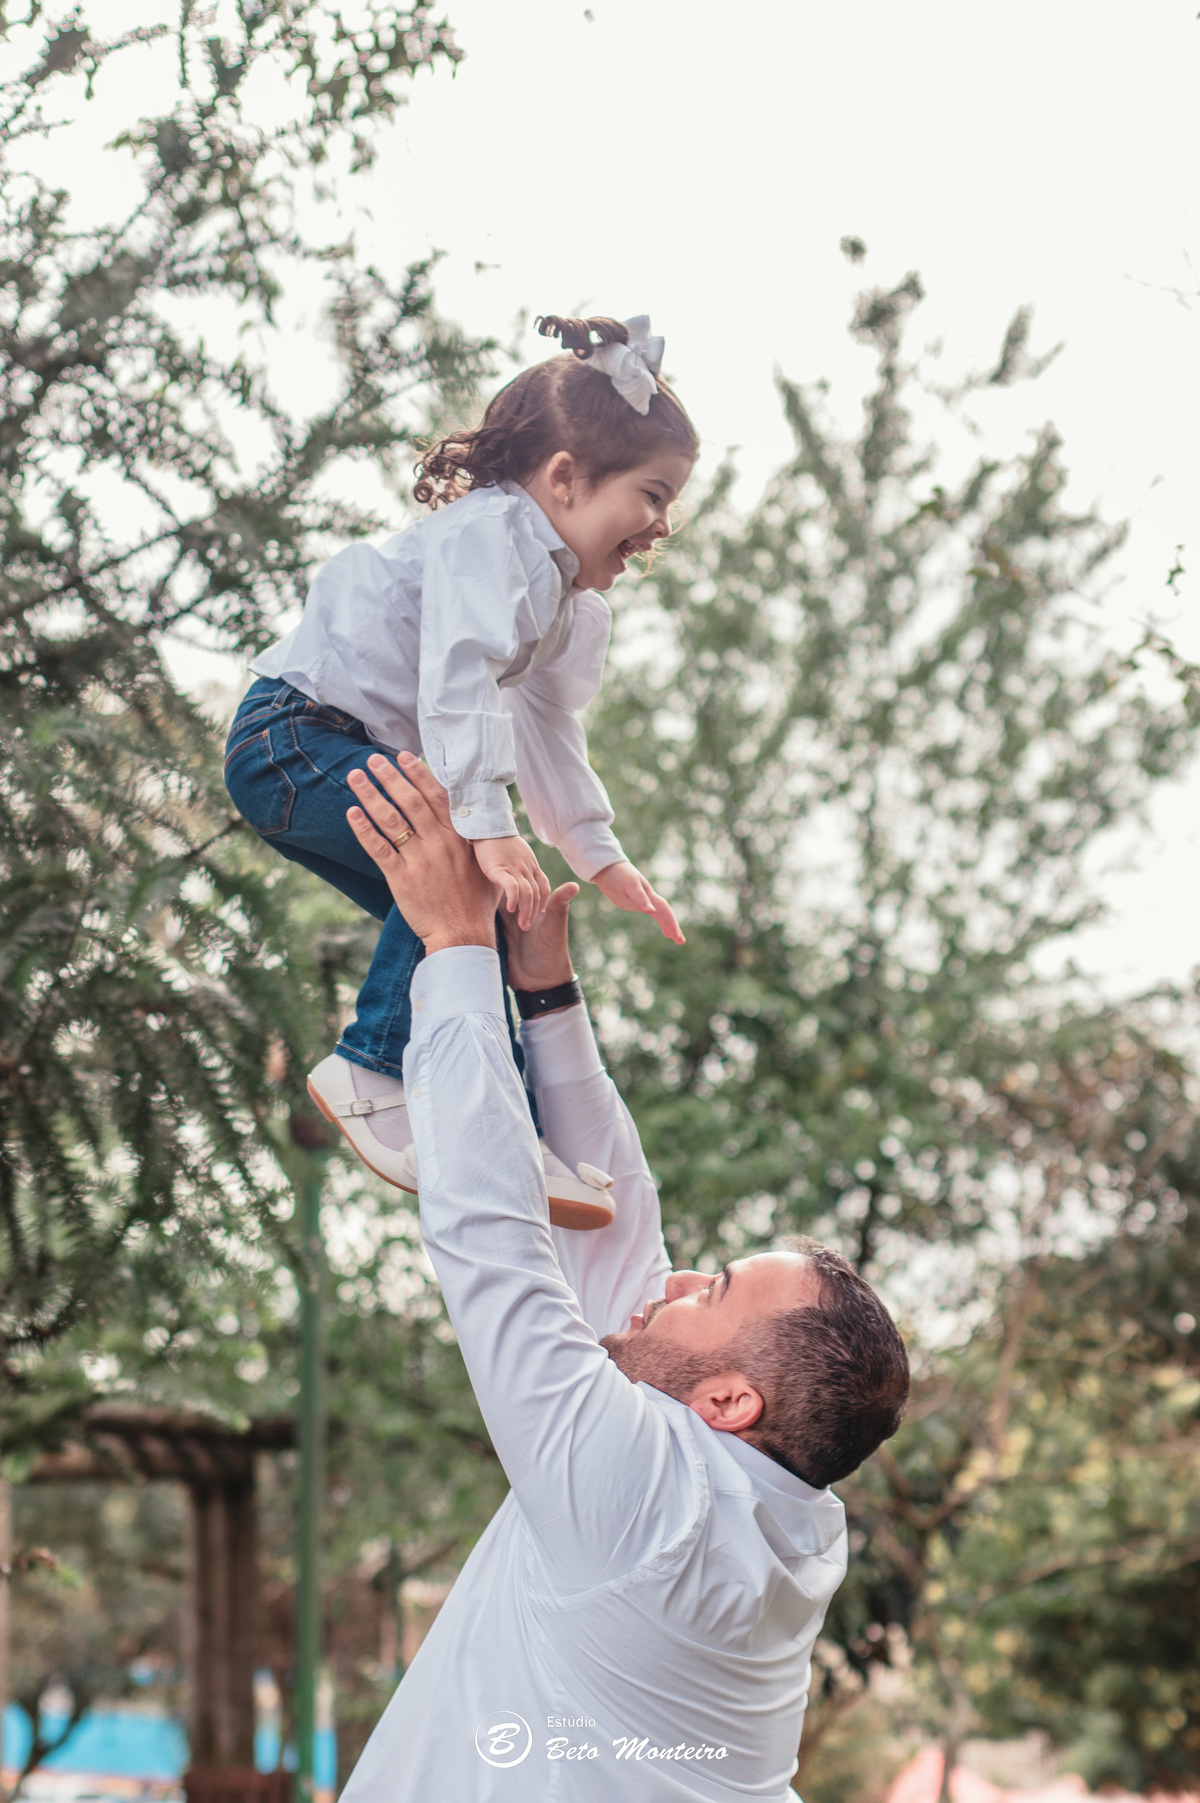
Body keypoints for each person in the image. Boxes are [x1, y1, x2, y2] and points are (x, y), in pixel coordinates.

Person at [335, 749, 911, 1802]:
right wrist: (546, 998)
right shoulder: (782, 1516)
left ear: (731, 1400)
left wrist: (456, 949)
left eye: (717, 1290)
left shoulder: (647, 1506)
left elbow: (494, 1246)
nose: (681, 1277)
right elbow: (615, 1228)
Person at [223, 314, 697, 1227]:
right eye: (651, 492)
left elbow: (545, 722)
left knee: (479, 927)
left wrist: (598, 853)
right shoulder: (492, 538)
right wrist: (488, 822)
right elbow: (460, 676)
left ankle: (506, 1126)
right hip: (294, 738)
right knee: (458, 868)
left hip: (341, 751)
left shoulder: (565, 601)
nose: (662, 523)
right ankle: (371, 1067)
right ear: (564, 478)